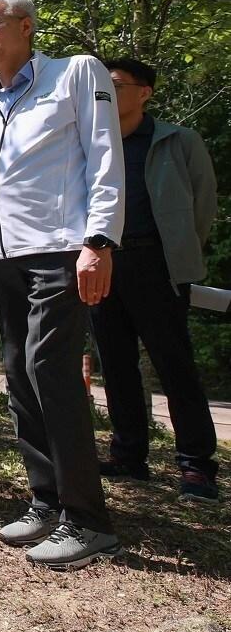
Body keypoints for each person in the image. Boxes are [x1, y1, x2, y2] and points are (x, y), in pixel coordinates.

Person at [0, 0, 124, 569]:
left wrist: (98, 241)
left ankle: (88, 519)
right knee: (18, 374)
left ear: (25, 26)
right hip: (3, 258)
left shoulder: (76, 74)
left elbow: (105, 156)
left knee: (48, 370)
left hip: (61, 250)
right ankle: (46, 500)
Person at [90, 57, 220, 503]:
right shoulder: (91, 142)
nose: (103, 94)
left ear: (144, 92)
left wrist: (178, 254)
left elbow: (203, 205)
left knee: (175, 366)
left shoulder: (177, 141)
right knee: (116, 364)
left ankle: (197, 468)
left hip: (158, 266)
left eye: (115, 85)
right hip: (103, 264)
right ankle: (129, 455)